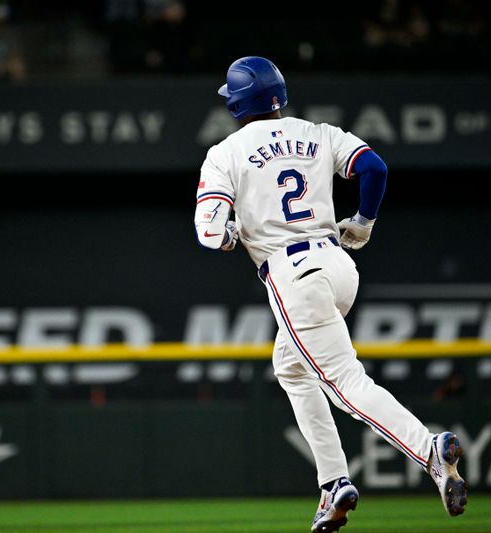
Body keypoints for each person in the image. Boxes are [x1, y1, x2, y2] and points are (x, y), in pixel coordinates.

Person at [194, 56, 467, 533]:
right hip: (338, 265)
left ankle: (430, 451)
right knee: (293, 369)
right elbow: (374, 169)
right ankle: (333, 485)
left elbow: (210, 232)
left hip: (292, 274)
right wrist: (363, 221)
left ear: (237, 104)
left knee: (344, 382)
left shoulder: (225, 152)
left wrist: (234, 234)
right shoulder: (319, 132)